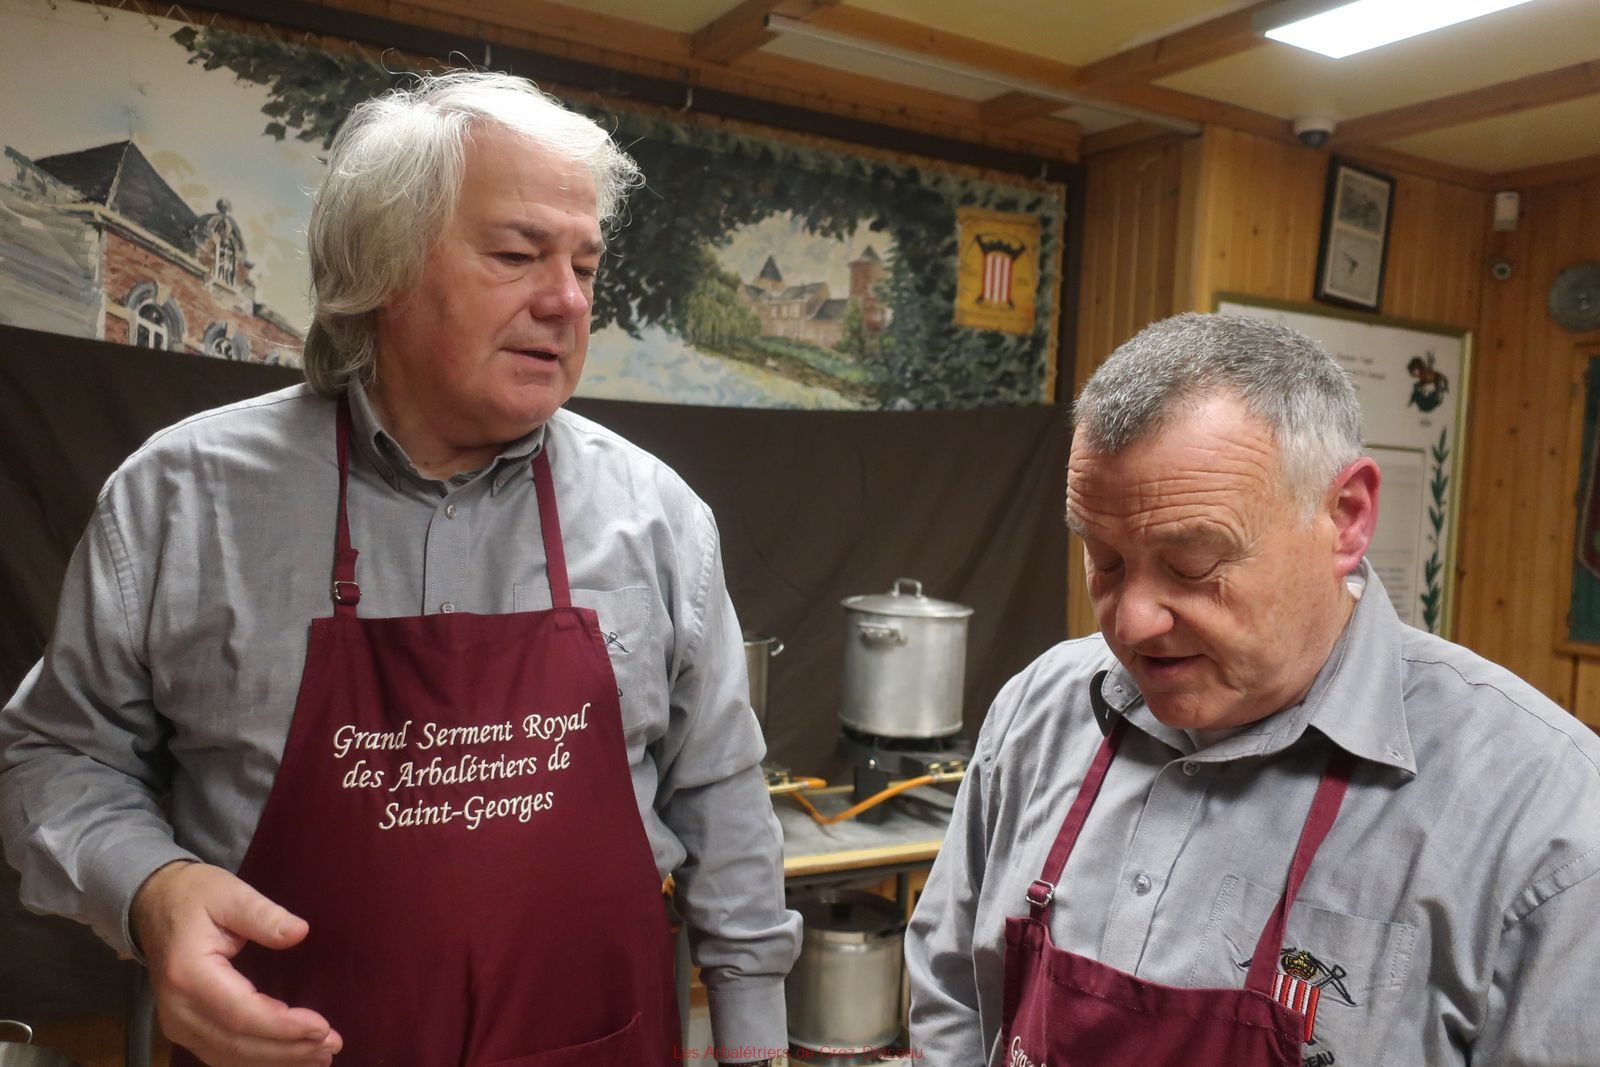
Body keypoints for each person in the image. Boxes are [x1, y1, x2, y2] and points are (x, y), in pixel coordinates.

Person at [0, 72, 798, 1067]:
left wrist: (755, 1044)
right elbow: (57, 757)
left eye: (585, 265)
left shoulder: (658, 515)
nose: (567, 300)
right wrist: (151, 891)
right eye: (518, 254)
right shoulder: (182, 496)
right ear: (382, 267)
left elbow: (723, 798)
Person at [906, 312, 1600, 1066]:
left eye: (1192, 564)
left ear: (1346, 518)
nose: (1131, 621)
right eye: (1104, 559)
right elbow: (953, 993)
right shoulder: (1039, 710)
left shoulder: (1545, 819)